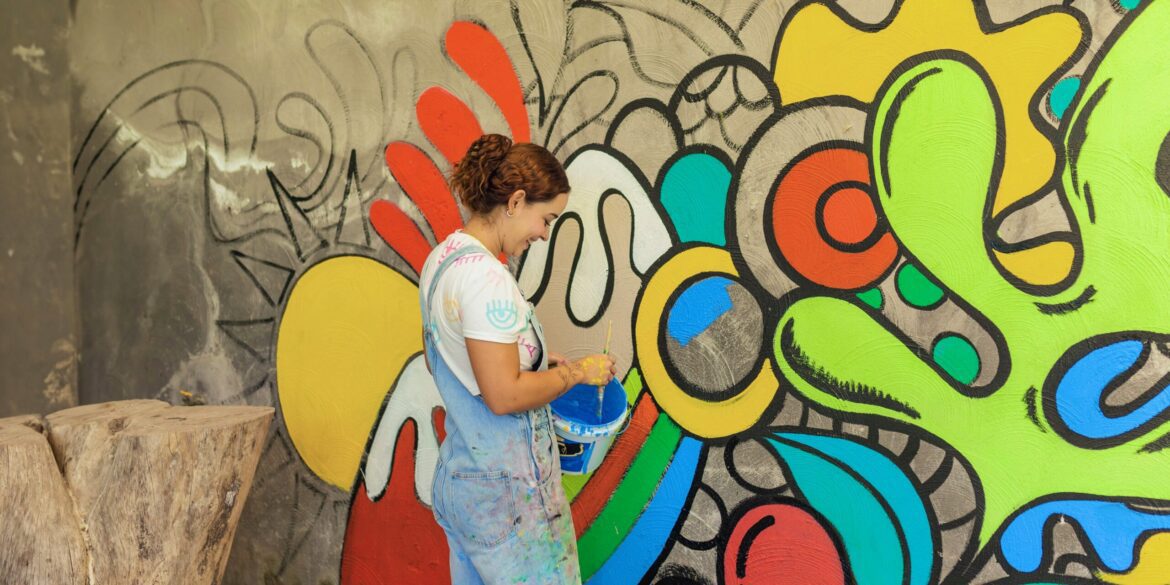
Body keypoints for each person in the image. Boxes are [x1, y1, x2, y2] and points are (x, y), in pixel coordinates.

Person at [418, 133, 615, 584]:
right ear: (516, 201)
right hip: (508, 500)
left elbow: (442, 360)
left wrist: (533, 366)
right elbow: (504, 395)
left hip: (463, 482)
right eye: (545, 219)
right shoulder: (487, 280)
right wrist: (575, 373)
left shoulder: (443, 259)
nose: (543, 234)